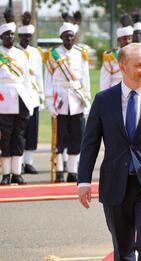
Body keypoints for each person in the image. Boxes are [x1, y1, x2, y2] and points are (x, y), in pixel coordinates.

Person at [77, 43, 141, 261]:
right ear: (123, 68)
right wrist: (83, 181)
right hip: (116, 183)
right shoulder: (103, 100)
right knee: (123, 248)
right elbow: (90, 144)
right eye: (139, 66)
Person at [44, 21, 90, 182]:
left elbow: (85, 79)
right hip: (60, 101)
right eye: (66, 36)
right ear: (61, 37)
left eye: (71, 36)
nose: (69, 39)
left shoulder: (80, 53)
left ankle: (72, 171)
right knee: (60, 138)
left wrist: (87, 101)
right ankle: (59, 170)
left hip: (77, 101)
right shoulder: (53, 55)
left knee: (77, 137)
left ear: (74, 37)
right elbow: (47, 80)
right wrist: (49, 102)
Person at [0, 9, 34, 185]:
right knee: (6, 136)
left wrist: (31, 100)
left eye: (12, 34)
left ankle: (16, 173)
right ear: (1, 37)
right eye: (6, 34)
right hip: (3, 98)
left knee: (19, 135)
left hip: (21, 97)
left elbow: (27, 80)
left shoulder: (22, 54)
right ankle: (5, 174)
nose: (10, 37)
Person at [16, 11, 44, 174]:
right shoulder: (16, 52)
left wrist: (41, 97)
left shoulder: (35, 52)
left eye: (29, 36)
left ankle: (29, 161)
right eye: (24, 36)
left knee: (32, 130)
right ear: (20, 36)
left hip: (33, 96)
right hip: (19, 97)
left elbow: (39, 75)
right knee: (20, 130)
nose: (27, 39)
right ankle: (18, 162)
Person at [100, 15, 133, 91]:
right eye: (124, 39)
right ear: (119, 40)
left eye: (129, 38)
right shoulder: (110, 56)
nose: (127, 41)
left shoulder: (137, 55)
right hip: (115, 92)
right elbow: (104, 81)